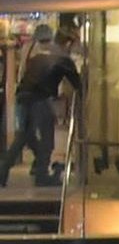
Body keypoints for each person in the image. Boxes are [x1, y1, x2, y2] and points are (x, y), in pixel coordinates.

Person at [15, 31, 85, 186]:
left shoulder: (40, 54)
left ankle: (8, 170)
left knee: (24, 137)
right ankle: (41, 174)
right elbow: (77, 83)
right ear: (67, 44)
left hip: (24, 95)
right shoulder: (64, 59)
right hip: (40, 98)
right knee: (47, 138)